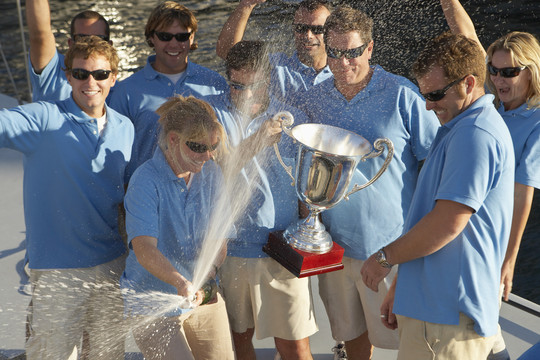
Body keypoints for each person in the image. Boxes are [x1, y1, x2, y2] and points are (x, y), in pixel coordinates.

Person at [296, 6, 440, 359]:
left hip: (391, 249)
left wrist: (423, 241)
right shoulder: (313, 100)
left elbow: (437, 167)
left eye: (353, 52)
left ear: (371, 48)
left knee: (409, 342)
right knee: (352, 338)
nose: (343, 63)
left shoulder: (403, 96)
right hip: (333, 249)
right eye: (335, 53)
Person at [361, 31, 515, 359]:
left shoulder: (474, 136)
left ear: (469, 82)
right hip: (436, 308)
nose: (428, 106)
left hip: (445, 319)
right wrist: (404, 284)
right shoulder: (462, 126)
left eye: (434, 94)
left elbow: (447, 223)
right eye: (424, 95)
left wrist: (384, 259)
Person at [0, 36, 133, 359]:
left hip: (112, 266)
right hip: (58, 271)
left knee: (109, 355)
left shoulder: (126, 128)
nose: (91, 82)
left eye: (100, 74)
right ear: (67, 76)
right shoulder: (43, 118)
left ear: (113, 77)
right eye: (81, 73)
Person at [440, 1, 540, 357]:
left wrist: (508, 260)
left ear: (531, 71)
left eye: (509, 73)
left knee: (476, 321)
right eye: (494, 72)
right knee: (484, 326)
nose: (498, 80)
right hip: (463, 223)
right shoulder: (495, 102)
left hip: (489, 238)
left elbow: (522, 193)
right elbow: (466, 38)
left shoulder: (537, 123)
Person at [208, 40, 317, 360]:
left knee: (295, 345)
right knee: (238, 339)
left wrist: (310, 234)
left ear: (269, 80)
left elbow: (306, 188)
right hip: (231, 250)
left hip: (283, 250)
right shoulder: (211, 115)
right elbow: (213, 172)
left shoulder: (293, 118)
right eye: (235, 85)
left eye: (251, 86)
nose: (242, 94)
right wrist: (257, 141)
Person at [120, 95, 235, 360]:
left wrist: (209, 274)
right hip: (153, 301)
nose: (207, 155)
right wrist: (181, 282)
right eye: (198, 147)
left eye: (213, 146)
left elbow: (219, 240)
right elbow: (144, 249)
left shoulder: (212, 174)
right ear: (173, 140)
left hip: (201, 295)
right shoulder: (145, 181)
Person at [108, 1, 229, 177]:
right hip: (147, 195)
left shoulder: (214, 83)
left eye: (181, 37)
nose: (174, 44)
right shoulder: (126, 92)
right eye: (165, 36)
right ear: (151, 38)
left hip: (204, 195)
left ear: (192, 38)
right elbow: (113, 154)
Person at [216, 0, 333, 107]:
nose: (308, 35)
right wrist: (246, 5)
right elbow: (227, 53)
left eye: (317, 29)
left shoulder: (344, 69)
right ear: (293, 29)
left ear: (330, 32)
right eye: (301, 28)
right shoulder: (274, 66)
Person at [26, 0, 111, 101]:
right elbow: (39, 35)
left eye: (98, 38)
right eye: (81, 38)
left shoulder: (119, 89)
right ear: (70, 43)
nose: (90, 44)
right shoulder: (54, 70)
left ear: (109, 45)